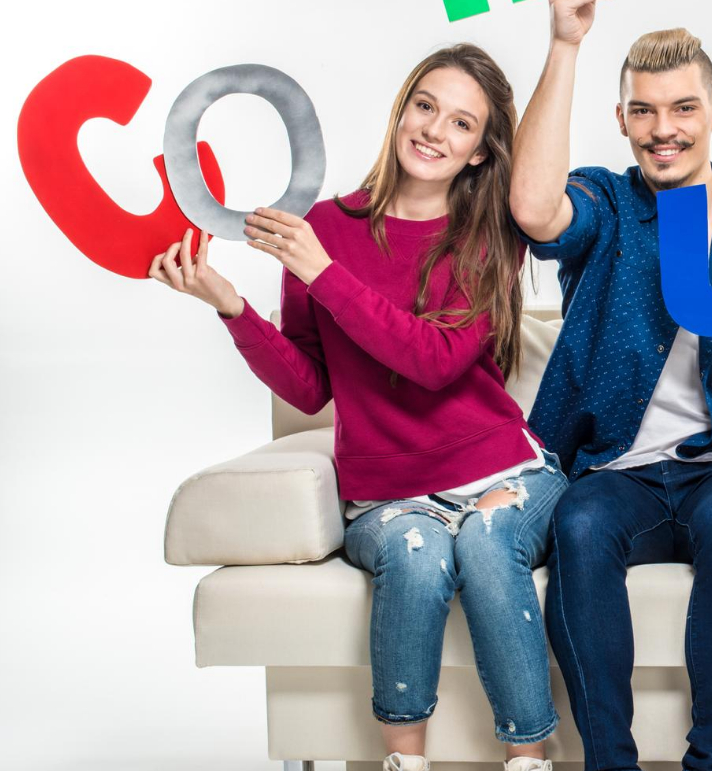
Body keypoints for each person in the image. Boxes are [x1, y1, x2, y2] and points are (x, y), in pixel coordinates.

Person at [149, 45, 566, 771]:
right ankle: (404, 761)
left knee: (486, 544)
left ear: (477, 153)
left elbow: (432, 363)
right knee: (417, 554)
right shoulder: (324, 227)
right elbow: (312, 387)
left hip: (501, 469)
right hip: (386, 495)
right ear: (402, 108)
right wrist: (231, 307)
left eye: (461, 124)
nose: (434, 130)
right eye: (426, 106)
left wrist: (321, 270)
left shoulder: (483, 235)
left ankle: (527, 758)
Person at [507, 0, 712, 771]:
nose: (662, 128)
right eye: (643, 111)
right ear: (624, 118)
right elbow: (532, 209)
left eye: (681, 109)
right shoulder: (605, 202)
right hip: (615, 470)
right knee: (580, 523)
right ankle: (610, 760)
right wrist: (565, 43)